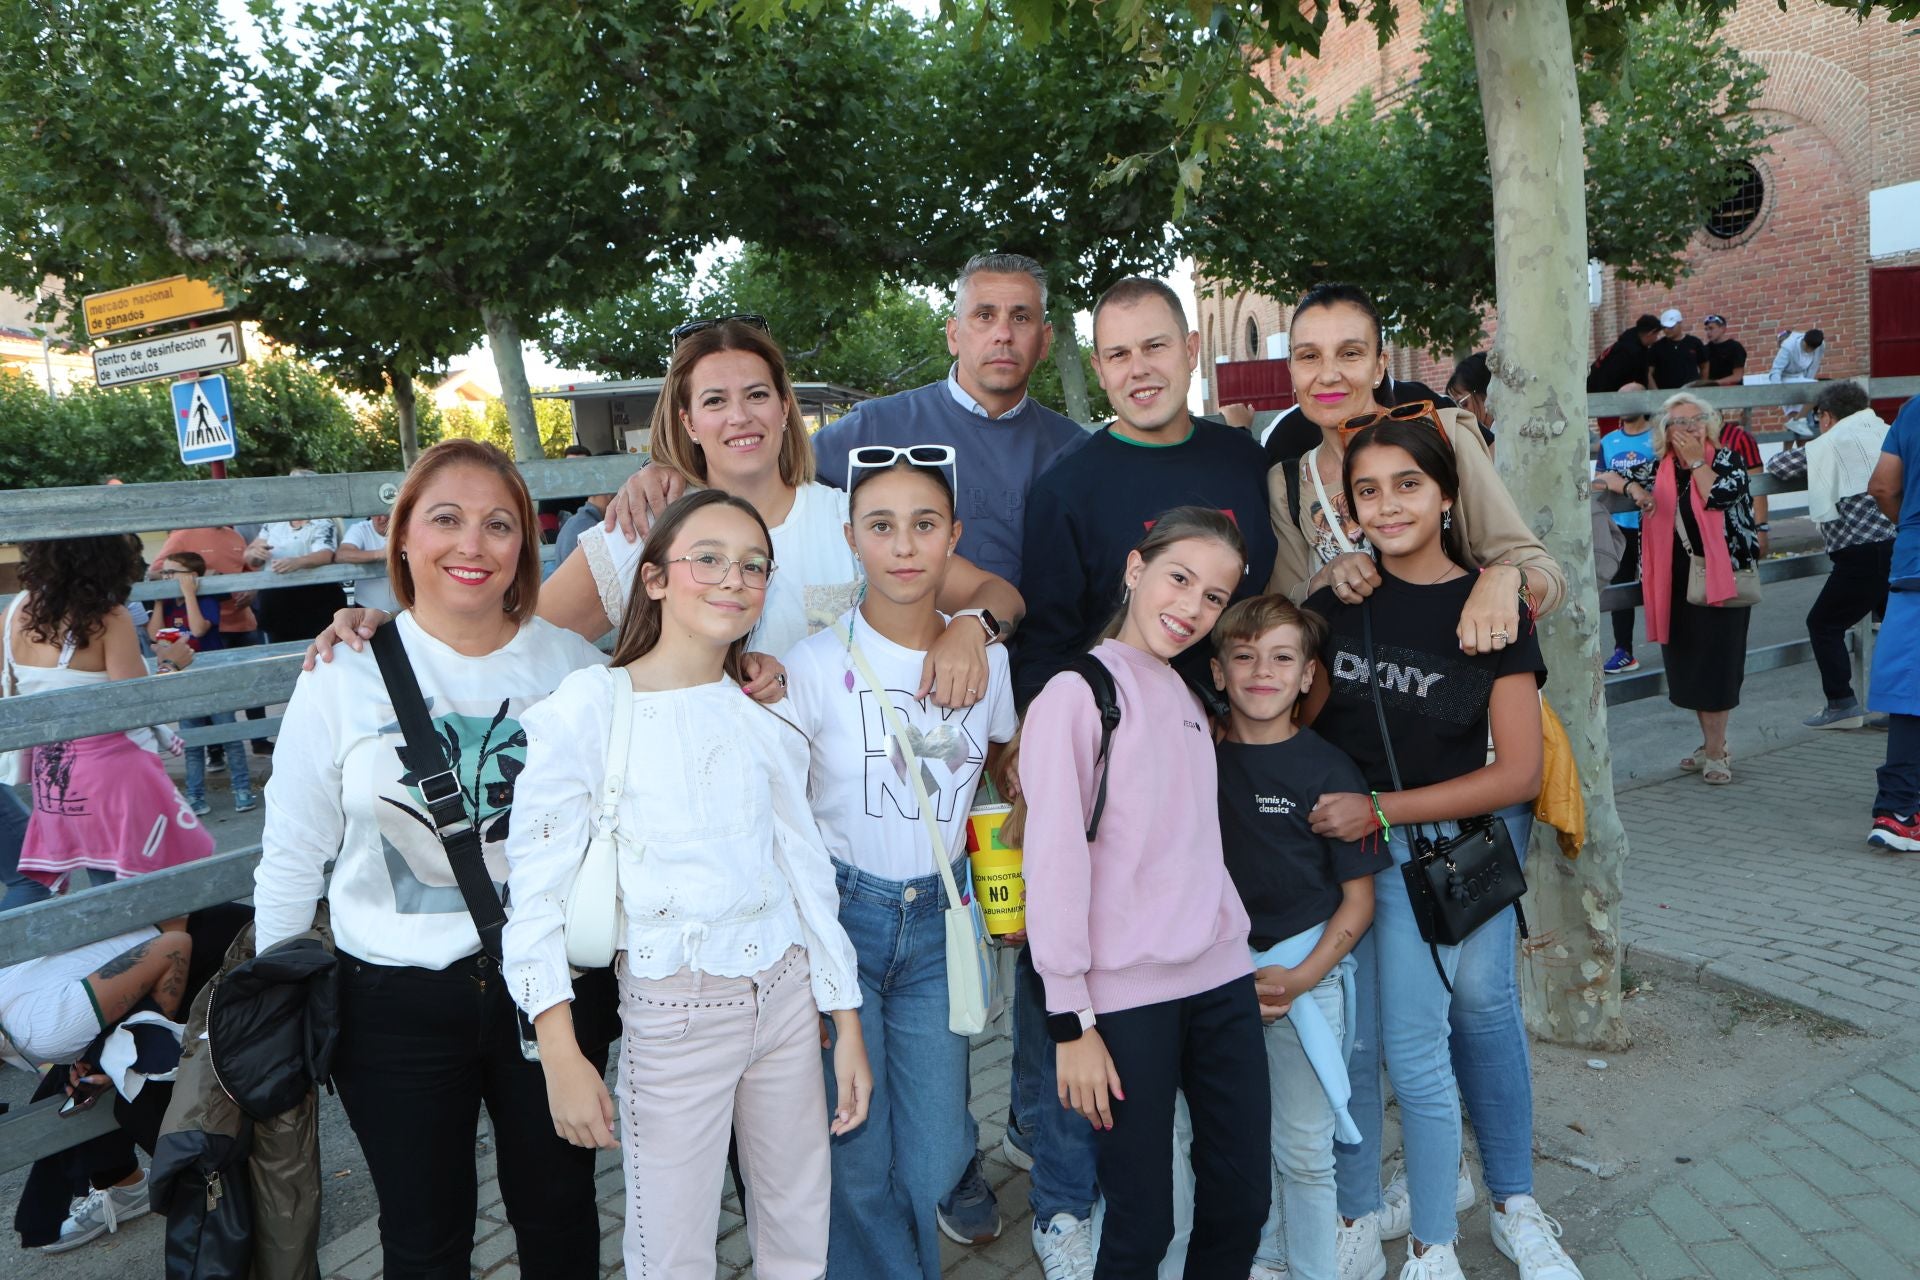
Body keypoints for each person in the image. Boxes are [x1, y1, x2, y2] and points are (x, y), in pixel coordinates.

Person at [252, 439, 615, 1279]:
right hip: (390, 1004)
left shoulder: (571, 667)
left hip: (549, 993)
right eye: (444, 519)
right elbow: (293, 850)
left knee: (560, 1219)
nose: (472, 544)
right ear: (402, 536)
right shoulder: (342, 672)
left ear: (525, 543)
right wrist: (279, 999)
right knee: (424, 1238)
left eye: (498, 524)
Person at [502, 489, 870, 1280]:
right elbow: (532, 900)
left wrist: (846, 1023)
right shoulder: (589, 709)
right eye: (708, 558)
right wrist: (561, 1052)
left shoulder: (766, 715)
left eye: (752, 566)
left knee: (801, 1228)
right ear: (657, 579)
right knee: (670, 1253)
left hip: (785, 998)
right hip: (673, 1016)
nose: (732, 579)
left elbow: (806, 874)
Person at [313, 319, 1022, 714]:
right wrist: (389, 630)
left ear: (784, 408)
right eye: (714, 401)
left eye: (756, 395)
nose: (738, 416)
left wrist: (969, 628)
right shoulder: (645, 528)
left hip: (847, 833)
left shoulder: (850, 522)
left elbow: (999, 595)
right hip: (697, 828)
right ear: (686, 419)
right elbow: (512, 638)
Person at [1297, 419, 1555, 1280]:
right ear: (1349, 507)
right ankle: (1355, 1214)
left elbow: (1519, 771)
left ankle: (1436, 1243)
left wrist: (1383, 808)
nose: (1389, 504)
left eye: (1409, 484)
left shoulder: (1490, 606)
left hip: (1436, 858)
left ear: (1447, 493)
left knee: (1425, 1042)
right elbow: (1287, 720)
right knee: (1356, 1049)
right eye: (1368, 491)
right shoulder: (1335, 605)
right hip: (1344, 864)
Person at [780, 457, 1016, 1280]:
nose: (904, 546)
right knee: (855, 1145)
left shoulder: (987, 659)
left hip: (944, 923)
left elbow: (999, 773)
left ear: (954, 537)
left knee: (935, 1158)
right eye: (880, 526)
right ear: (851, 541)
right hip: (846, 918)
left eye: (925, 525)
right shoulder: (809, 667)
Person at [1022, 507, 1271, 1280]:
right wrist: (1071, 1023)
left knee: (1241, 1201)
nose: (1193, 607)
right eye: (1180, 578)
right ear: (1136, 569)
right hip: (1124, 1001)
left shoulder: (1189, 696)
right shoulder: (1077, 692)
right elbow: (1054, 862)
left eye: (1214, 596)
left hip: (1222, 979)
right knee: (1141, 1224)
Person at [605, 253, 1088, 590]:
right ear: (953, 334)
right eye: (984, 315)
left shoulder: (1074, 450)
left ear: (1045, 340)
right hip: (919, 673)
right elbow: (756, 459)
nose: (1002, 334)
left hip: (1042, 670)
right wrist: (664, 467)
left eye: (1020, 318)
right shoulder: (877, 428)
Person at [1211, 595, 1385, 1280]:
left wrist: (1304, 976)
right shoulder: (1198, 760)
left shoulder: (1333, 772)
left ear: (1309, 675)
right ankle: (1265, 1257)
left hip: (1306, 981)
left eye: (1282, 657)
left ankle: (1314, 1269)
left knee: (1305, 1150)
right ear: (1218, 672)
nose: (1262, 671)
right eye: (1244, 656)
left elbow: (1359, 903)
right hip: (1213, 983)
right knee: (1231, 1141)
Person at [1016, 276, 1279, 705]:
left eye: (1155, 346)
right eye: (1119, 354)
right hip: (1127, 740)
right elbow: (1045, 649)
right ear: (1099, 370)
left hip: (1254, 728)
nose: (1139, 368)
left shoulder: (1245, 460)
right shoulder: (1066, 491)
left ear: (1191, 350)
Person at [1267, 284, 1565, 651]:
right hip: (1356, 692)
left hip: (1456, 677)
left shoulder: (1445, 440)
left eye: (1350, 353)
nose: (1328, 375)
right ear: (1291, 370)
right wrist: (1326, 578)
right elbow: (1280, 613)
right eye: (1309, 356)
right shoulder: (1289, 482)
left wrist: (1504, 581)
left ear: (1379, 366)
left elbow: (1546, 575)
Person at [7, 537, 211, 893]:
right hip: (114, 772)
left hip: (53, 773)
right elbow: (131, 705)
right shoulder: (107, 616)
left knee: (107, 882)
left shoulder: (13, 612)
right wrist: (169, 664)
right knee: (163, 885)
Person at [1613, 393, 1760, 786]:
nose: (1689, 428)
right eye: (1679, 422)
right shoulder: (1657, 468)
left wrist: (1697, 460)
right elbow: (1607, 477)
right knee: (1691, 667)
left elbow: (1719, 496)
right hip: (1673, 581)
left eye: (1696, 420)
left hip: (1720, 576)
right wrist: (1634, 490)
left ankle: (1716, 753)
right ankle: (1709, 744)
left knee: (1718, 665)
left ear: (1709, 425)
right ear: (1664, 429)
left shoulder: (1726, 460)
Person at [1765, 382, 1894, 730]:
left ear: (1827, 416)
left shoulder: (1829, 444)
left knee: (1824, 624)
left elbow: (1779, 465)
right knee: (1896, 627)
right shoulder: (1885, 432)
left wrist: (1812, 441)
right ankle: (1901, 707)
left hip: (1861, 553)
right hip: (1898, 545)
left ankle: (1841, 704)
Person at [147, 551, 256, 816]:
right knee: (192, 741)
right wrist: (161, 601)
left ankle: (242, 789)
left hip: (214, 677)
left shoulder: (205, 600)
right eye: (164, 573)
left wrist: (188, 594)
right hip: (184, 681)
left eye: (173, 573)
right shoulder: (167, 604)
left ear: (192, 577)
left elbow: (197, 630)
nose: (167, 577)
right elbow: (154, 635)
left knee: (229, 734)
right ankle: (195, 795)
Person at [1865, 396, 1920, 851]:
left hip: (1913, 568)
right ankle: (1901, 809)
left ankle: (1898, 808)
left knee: (1909, 693)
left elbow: (1882, 486)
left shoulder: (1914, 410)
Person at [1593, 386, 1657, 674]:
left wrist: (1620, 480)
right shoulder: (1608, 441)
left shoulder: (1659, 437)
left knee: (1659, 586)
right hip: (1620, 528)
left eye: (1631, 396)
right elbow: (1600, 481)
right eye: (1618, 396)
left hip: (1653, 526)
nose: (1624, 402)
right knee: (1620, 588)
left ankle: (1676, 642)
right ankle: (1624, 651)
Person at [247, 480, 341, 645]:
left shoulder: (322, 521)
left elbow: (326, 554)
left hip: (314, 598)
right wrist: (255, 553)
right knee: (279, 650)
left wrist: (298, 562)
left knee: (320, 649)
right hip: (276, 601)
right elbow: (250, 556)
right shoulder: (273, 521)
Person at [336, 510, 398, 613]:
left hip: (409, 610)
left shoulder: (407, 527)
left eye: (388, 512)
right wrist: (382, 554)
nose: (383, 518)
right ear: (370, 514)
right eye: (377, 512)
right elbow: (342, 554)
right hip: (367, 610)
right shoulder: (360, 529)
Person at [1585, 314, 1661, 394]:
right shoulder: (1632, 352)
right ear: (1650, 333)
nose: (1656, 338)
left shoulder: (1624, 343)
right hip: (1601, 394)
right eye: (1656, 335)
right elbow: (1637, 382)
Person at [1443, 354, 1499, 451]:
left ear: (1486, 394)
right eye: (1455, 407)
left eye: (1463, 404)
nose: (1460, 412)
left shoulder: (1503, 435)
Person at [1647, 308, 1707, 390]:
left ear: (1680, 324)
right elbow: (1648, 372)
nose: (1666, 330)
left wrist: (1702, 387)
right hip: (1665, 393)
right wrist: (1656, 393)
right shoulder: (1657, 347)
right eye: (1664, 327)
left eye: (1670, 327)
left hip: (1690, 392)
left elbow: (1704, 366)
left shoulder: (1694, 342)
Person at [1701, 315, 1747, 386]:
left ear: (1722, 328)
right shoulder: (1705, 349)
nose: (1708, 332)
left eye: (1711, 328)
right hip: (1711, 392)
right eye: (1706, 329)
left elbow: (1737, 376)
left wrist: (1714, 383)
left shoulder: (1735, 347)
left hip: (1732, 391)